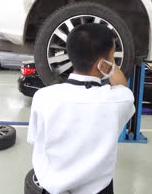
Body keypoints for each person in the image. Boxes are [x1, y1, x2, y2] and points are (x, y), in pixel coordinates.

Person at [27, 23, 135, 194]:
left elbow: (34, 139)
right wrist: (111, 66)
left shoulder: (43, 97)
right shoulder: (118, 101)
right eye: (112, 57)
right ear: (102, 64)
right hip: (98, 190)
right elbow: (122, 86)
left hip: (51, 189)